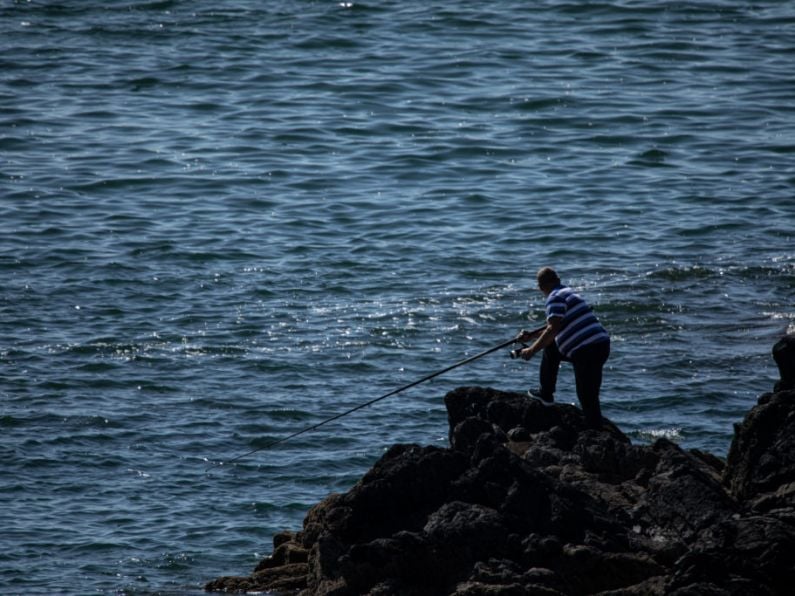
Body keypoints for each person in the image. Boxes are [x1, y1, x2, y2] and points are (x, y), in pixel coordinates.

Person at [517, 267, 610, 428]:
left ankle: (595, 433)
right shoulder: (568, 293)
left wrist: (531, 350)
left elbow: (552, 329)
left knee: (587, 397)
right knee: (552, 348)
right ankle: (546, 393)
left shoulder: (553, 297)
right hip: (600, 345)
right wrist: (531, 336)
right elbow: (559, 326)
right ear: (558, 280)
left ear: (541, 286)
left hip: (586, 349)